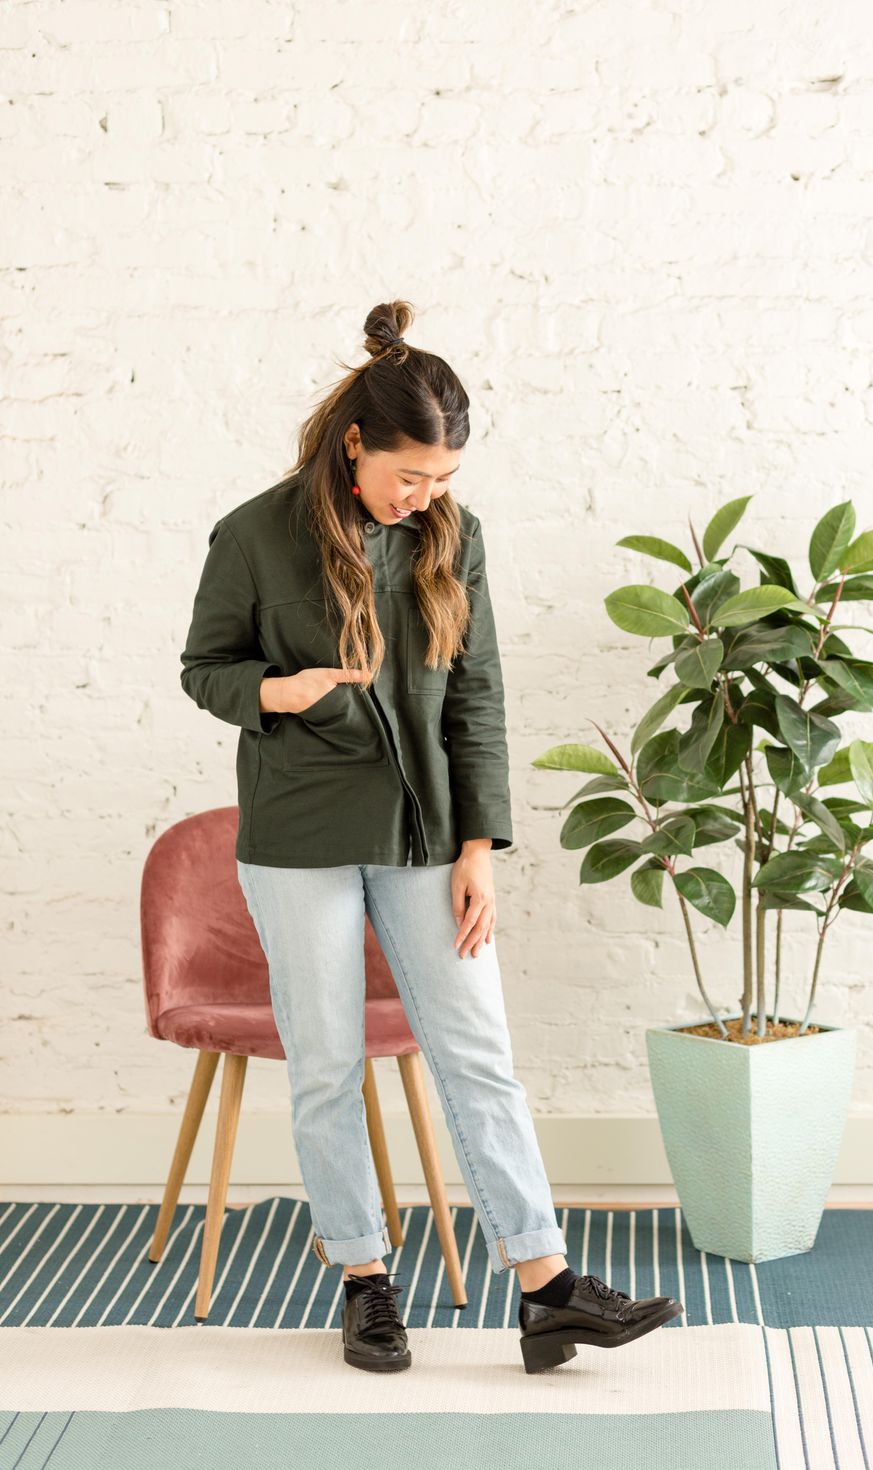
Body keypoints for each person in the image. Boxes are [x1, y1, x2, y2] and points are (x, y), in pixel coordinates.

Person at [179, 299, 683, 1373]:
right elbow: (202, 668)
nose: (425, 496)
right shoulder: (254, 535)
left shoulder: (454, 536)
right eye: (409, 475)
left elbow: (479, 696)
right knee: (326, 1062)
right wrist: (280, 689)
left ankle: (545, 1288)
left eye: (443, 477)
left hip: (425, 836)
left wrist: (476, 851)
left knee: (479, 1056)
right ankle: (365, 1281)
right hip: (299, 836)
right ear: (353, 444)